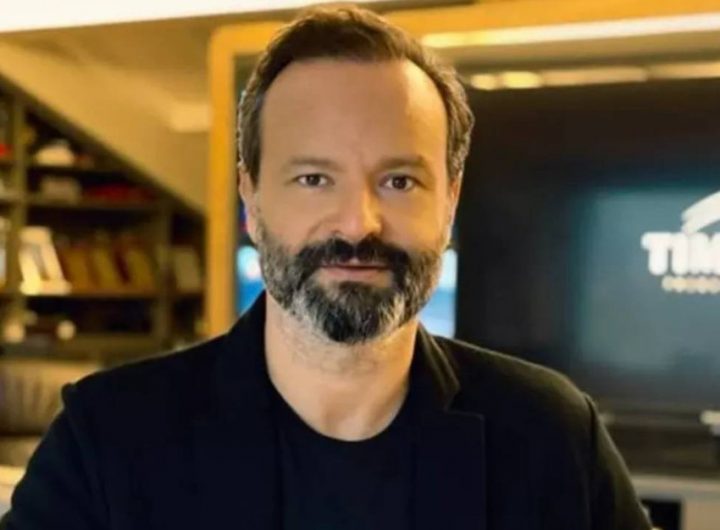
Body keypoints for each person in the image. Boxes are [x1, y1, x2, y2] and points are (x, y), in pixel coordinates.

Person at [4, 6, 652, 530]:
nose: (358, 224)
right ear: (252, 199)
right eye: (314, 178)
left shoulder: (552, 437)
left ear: (450, 201)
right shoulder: (109, 439)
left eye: (399, 181)